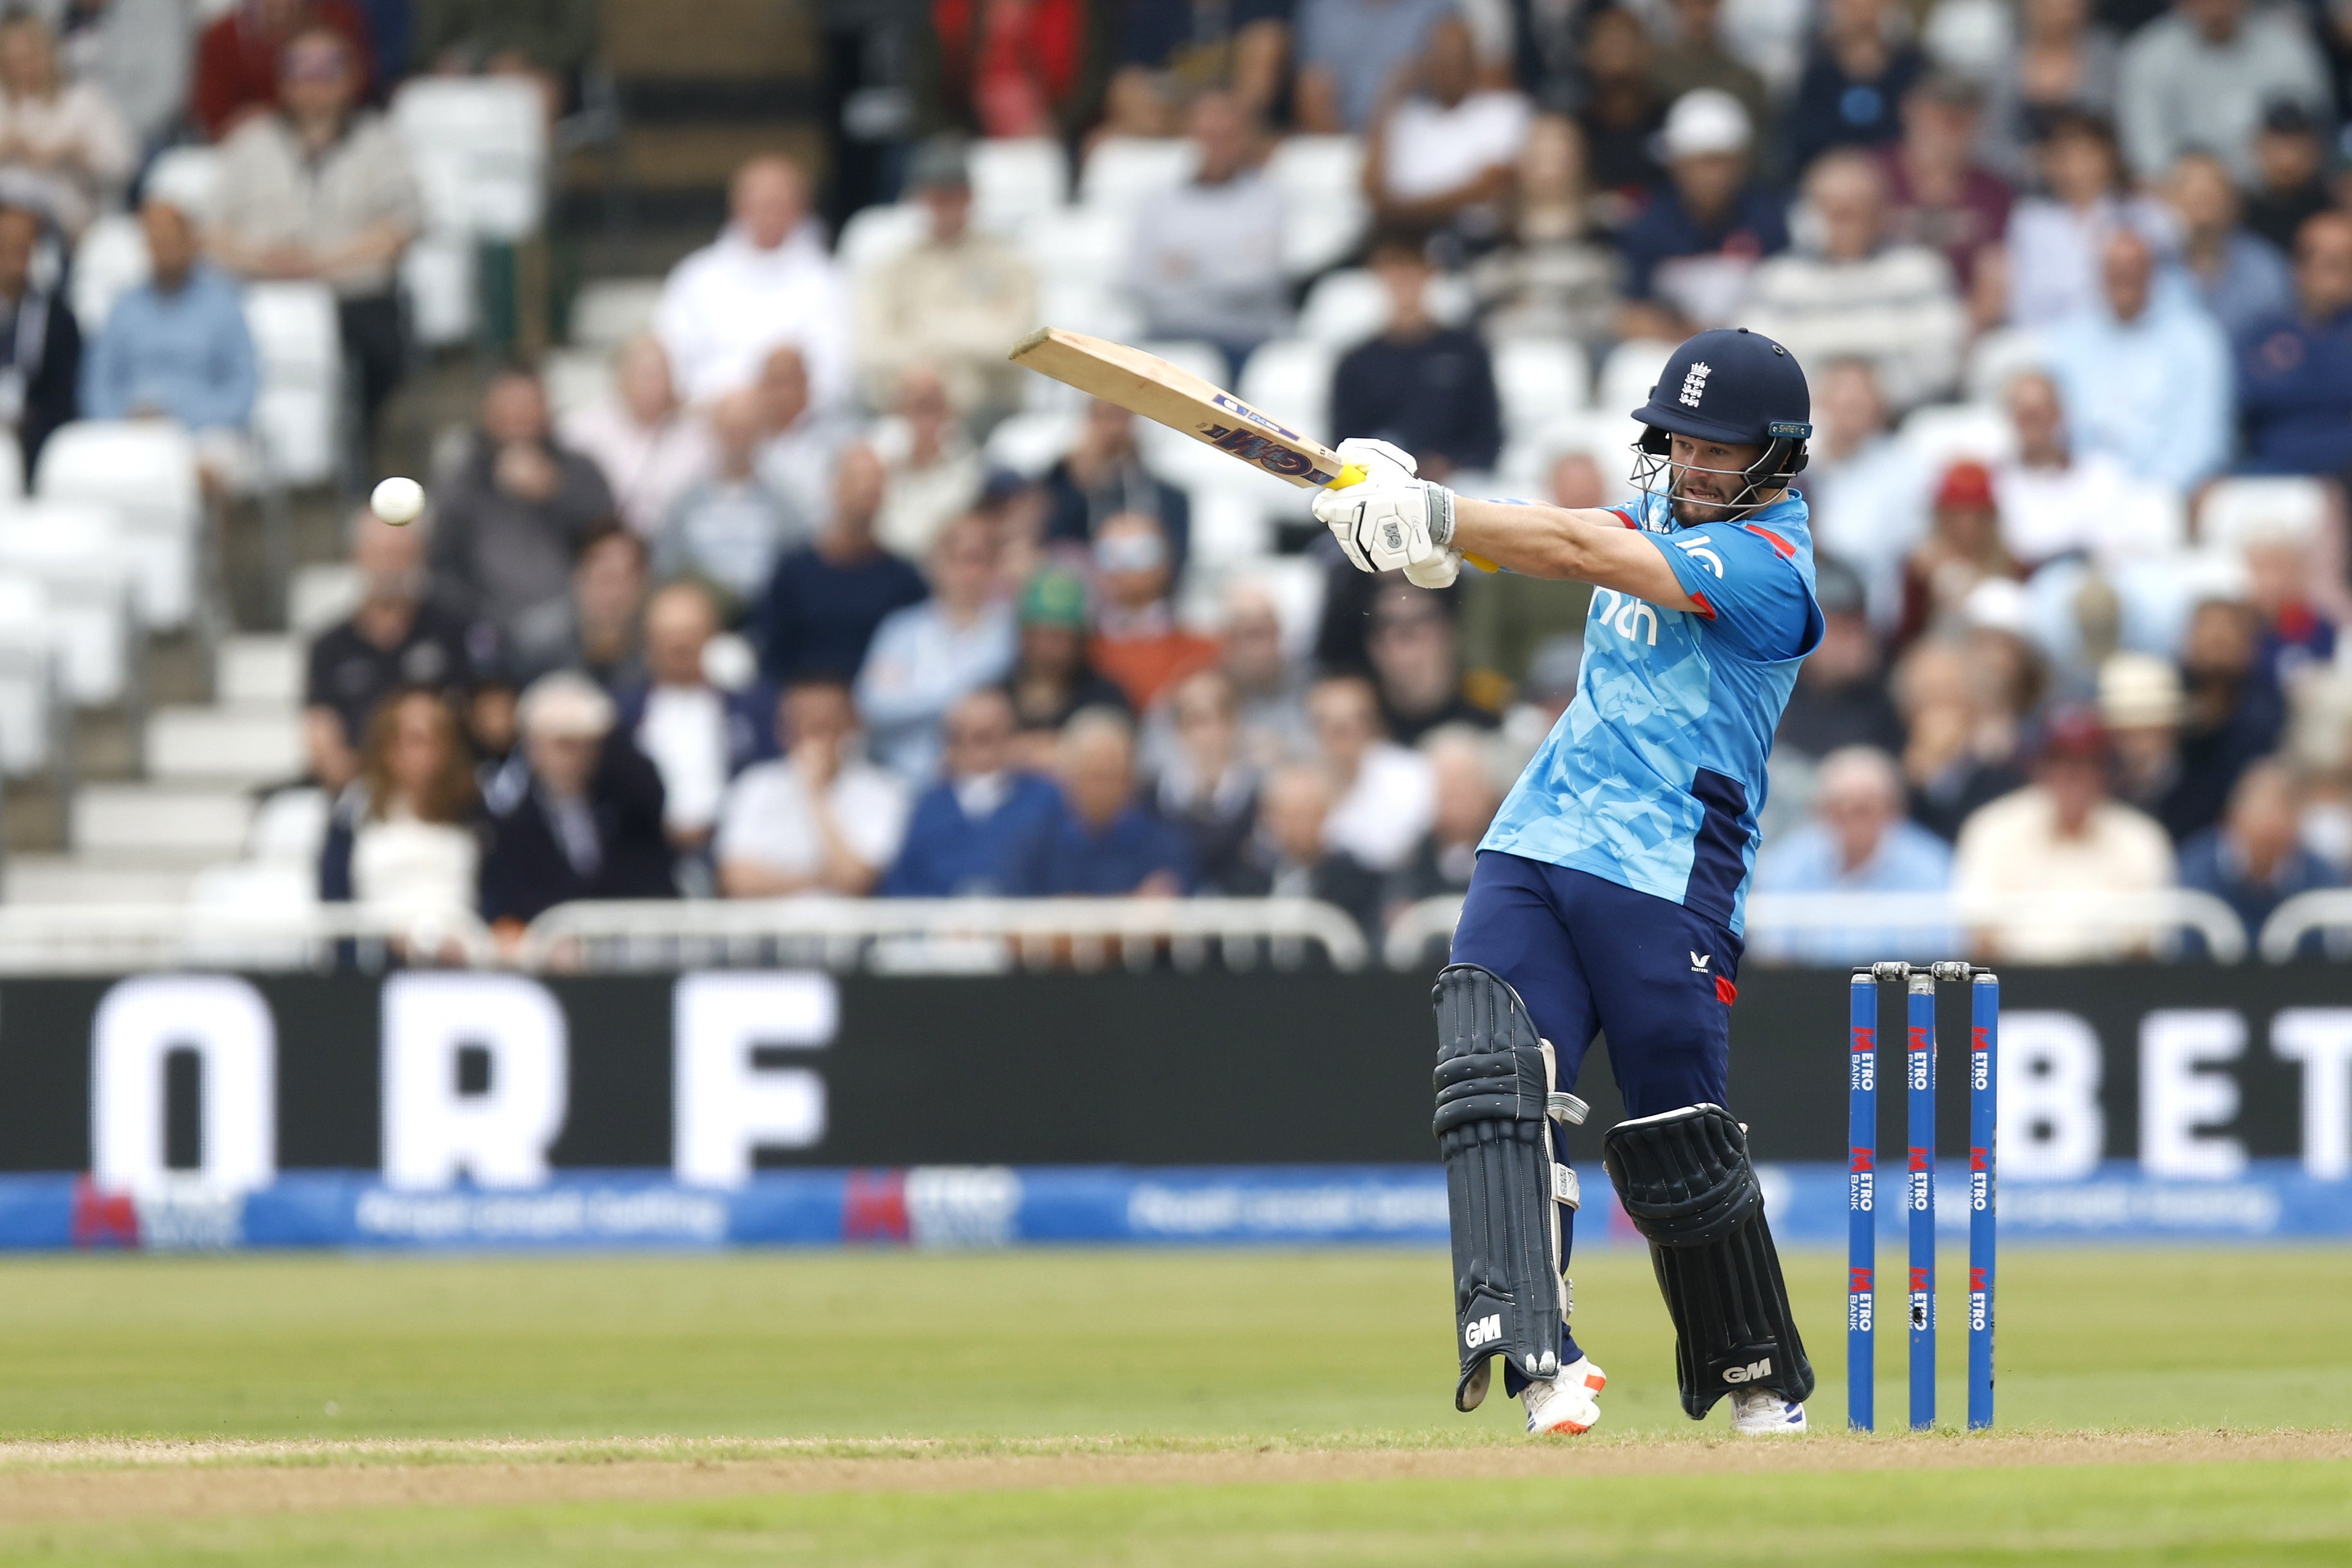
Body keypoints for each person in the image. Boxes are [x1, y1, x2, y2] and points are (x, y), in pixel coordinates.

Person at [1312, 325, 1827, 1436]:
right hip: (1540, 830)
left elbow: (1586, 554)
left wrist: (1440, 516)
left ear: (1776, 458)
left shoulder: (1771, 570)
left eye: (1718, 449)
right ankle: (1540, 1353)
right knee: (1488, 1065)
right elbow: (1561, 534)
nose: (1691, 466)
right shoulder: (1648, 512)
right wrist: (1425, 522)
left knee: (1674, 1135)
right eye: (1678, 442)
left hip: (1666, 865)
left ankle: (1758, 1380)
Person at [206, 24, 419, 440]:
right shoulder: (249, 143)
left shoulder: (380, 142)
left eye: (326, 71)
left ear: (351, 78)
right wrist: (265, 260)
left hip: (348, 294)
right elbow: (210, 232)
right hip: (258, 295)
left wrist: (321, 263)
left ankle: (353, 447)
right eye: (301, 70)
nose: (313, 84)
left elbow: (399, 230)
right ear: (283, 80)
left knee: (381, 347)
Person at [1741, 150, 1966, 413]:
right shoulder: (1778, 279)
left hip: (1902, 419)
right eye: (1834, 209)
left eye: (1858, 208)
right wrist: (1825, 398)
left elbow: (1945, 358)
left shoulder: (1919, 270)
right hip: (1807, 421)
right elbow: (1755, 364)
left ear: (1882, 211)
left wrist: (1876, 395)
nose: (1845, 220)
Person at [1951, 707, 2176, 961]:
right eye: (2059, 761)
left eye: (2089, 763)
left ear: (2107, 772)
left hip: (2112, 988)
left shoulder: (2141, 839)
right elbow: (1979, 935)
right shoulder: (1992, 830)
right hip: (2012, 988)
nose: (2073, 775)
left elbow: (2146, 944)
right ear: (2038, 767)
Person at [80, 199, 260, 497]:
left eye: (172, 240)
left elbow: (243, 387)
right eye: (155, 241)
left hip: (202, 431)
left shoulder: (224, 305)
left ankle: (203, 544)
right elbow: (97, 382)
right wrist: (121, 420)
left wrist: (180, 418)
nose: (164, 249)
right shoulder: (124, 308)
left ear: (191, 242)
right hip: (129, 428)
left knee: (206, 470)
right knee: (86, 468)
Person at [428, 369, 618, 640]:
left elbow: (610, 544)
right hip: (490, 629)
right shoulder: (462, 483)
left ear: (547, 411)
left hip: (579, 628)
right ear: (486, 413)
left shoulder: (580, 471)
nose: (518, 419)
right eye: (508, 408)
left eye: (528, 407)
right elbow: (443, 570)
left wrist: (555, 493)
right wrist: (487, 619)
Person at [478, 671, 676, 930]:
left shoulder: (626, 805)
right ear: (533, 747)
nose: (578, 755)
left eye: (587, 743)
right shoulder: (512, 821)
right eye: (564, 743)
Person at [854, 136, 1036, 418]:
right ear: (918, 199)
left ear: (970, 197)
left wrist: (932, 331)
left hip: (984, 410)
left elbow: (1015, 342)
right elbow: (871, 347)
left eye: (954, 195)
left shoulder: (1007, 265)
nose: (945, 207)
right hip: (903, 403)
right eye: (936, 197)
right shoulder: (892, 269)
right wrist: (922, 371)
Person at [2042, 227, 2232, 492]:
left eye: (2133, 268)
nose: (2123, 277)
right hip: (2076, 490)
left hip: (2165, 493)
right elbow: (2052, 428)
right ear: (2099, 274)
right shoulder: (2065, 340)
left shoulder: (2195, 339)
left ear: (2154, 273)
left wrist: (2155, 490)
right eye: (2114, 268)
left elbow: (2203, 437)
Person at [305, 508, 479, 793]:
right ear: (356, 556)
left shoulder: (452, 634)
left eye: (401, 553)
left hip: (440, 795)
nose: (390, 564)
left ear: (420, 558)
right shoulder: (329, 646)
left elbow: (469, 723)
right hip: (357, 792)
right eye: (380, 552)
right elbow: (321, 740)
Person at [655, 155, 850, 408]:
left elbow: (835, 371)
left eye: (779, 205)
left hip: (800, 423)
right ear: (738, 208)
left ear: (801, 209)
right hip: (707, 418)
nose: (769, 215)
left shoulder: (828, 280)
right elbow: (671, 357)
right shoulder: (696, 276)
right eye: (759, 204)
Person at [614, 581, 775, 863]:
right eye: (668, 635)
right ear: (647, 642)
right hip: (645, 854)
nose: (680, 645)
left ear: (715, 636)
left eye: (691, 633)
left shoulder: (755, 708)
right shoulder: (622, 713)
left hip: (738, 854)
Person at [1750, 744, 1956, 963]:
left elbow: (1939, 954)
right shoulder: (1788, 862)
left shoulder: (1931, 865)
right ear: (1820, 812)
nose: (1853, 820)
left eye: (1865, 808)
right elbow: (1771, 954)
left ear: (1895, 810)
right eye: (1839, 808)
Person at [1128, 89, 1287, 371]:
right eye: (1209, 135)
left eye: (1227, 135)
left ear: (1244, 136)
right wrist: (1225, 263)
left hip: (1241, 346)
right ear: (1191, 135)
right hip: (1165, 337)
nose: (1218, 145)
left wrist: (1188, 268)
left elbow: (1258, 281)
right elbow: (1140, 281)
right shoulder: (1157, 202)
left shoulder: (1267, 200)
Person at [1614, 89, 1787, 340]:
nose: (1711, 176)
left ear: (1742, 163)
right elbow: (1632, 311)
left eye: (1720, 162)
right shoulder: (1648, 222)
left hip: (1753, 348)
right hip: (1672, 350)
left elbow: (1784, 299)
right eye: (1700, 163)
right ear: (1675, 164)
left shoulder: (1767, 217)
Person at [714, 676, 910, 898]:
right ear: (783, 731)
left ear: (854, 726)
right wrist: (818, 878)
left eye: (829, 726)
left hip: (847, 930)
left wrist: (816, 794)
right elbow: (736, 881)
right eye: (805, 726)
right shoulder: (756, 785)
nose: (818, 739)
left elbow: (855, 880)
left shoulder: (883, 790)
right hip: (767, 930)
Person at [1330, 231, 1501, 481]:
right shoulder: (1356, 361)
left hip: (1458, 483)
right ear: (1379, 276)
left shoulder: (1467, 351)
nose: (1403, 279)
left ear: (1430, 273)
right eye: (1393, 268)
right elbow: (1344, 441)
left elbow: (1487, 434)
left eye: (1412, 267)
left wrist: (1449, 464)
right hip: (1380, 484)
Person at [856, 515, 1017, 781]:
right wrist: (954, 702)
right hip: (897, 778)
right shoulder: (901, 631)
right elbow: (874, 707)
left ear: (995, 567)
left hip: (982, 783)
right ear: (936, 564)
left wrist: (918, 700)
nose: (967, 573)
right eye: (956, 559)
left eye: (977, 560)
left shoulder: (1009, 632)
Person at [753, 443, 928, 687]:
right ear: (833, 487)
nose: (868, 490)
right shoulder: (793, 572)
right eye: (857, 481)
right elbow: (771, 654)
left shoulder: (905, 580)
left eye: (877, 484)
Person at [2115, 0, 2329, 186]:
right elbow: (2146, 156)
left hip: (2272, 194)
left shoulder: (2287, 44)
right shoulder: (2149, 54)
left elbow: (2310, 132)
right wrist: (2206, 186)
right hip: (2183, 200)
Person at [318, 687, 482, 923]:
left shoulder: (473, 805)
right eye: (411, 740)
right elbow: (335, 894)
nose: (422, 752)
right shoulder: (356, 805)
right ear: (386, 747)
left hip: (462, 945)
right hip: (378, 945)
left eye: (434, 739)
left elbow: (494, 892)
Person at [1366, 15, 1530, 248]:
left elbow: (1488, 187)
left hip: (1479, 242)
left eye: (1459, 59)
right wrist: (1389, 96)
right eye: (1440, 58)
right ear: (1425, 63)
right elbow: (1372, 189)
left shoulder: (1506, 111)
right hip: (1406, 245)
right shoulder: (1406, 118)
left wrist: (1399, 212)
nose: (1450, 68)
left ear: (1476, 61)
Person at [880, 686, 1062, 896]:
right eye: (959, 737)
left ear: (1010, 737)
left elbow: (1065, 877)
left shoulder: (1044, 799)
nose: (973, 750)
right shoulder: (928, 808)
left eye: (985, 737)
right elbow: (902, 887)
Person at [2000, 110, 2169, 328]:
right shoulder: (2030, 220)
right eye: (2066, 156)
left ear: (2110, 158)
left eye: (2088, 154)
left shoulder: (2143, 214)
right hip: (2047, 340)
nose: (2077, 167)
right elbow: (2022, 301)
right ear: (2048, 163)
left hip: (2124, 336)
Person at [1470, 114, 1621, 347]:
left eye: (1559, 155)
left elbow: (1618, 291)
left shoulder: (1609, 220)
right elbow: (1476, 291)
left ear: (1580, 159)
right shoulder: (1490, 224)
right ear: (1521, 160)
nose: (1549, 167)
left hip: (1588, 342)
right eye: (1540, 156)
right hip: (1507, 342)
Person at [1009, 705, 1192, 896]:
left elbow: (1170, 898)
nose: (1104, 789)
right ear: (1068, 779)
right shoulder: (1037, 846)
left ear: (1132, 780)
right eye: (1095, 776)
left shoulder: (1163, 846)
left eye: (1113, 776)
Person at [1801, 359, 1925, 624]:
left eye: (1858, 403)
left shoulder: (1902, 467)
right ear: (1823, 402)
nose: (1849, 410)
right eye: (1843, 401)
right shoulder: (1797, 460)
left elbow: (1873, 547)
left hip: (1865, 615)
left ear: (1879, 407)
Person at [557, 334, 717, 540]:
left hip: (677, 547)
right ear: (620, 376)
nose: (654, 385)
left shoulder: (697, 433)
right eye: (644, 375)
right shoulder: (579, 430)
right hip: (602, 545)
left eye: (661, 375)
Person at [657, 387, 802, 609]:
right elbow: (668, 569)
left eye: (746, 429)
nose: (738, 439)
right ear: (715, 430)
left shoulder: (785, 505)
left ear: (761, 432)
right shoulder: (684, 502)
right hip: (700, 616)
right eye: (731, 429)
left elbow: (794, 570)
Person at [2178, 758, 2342, 951]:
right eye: (2262, 817)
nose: (2270, 830)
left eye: (2282, 818)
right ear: (2233, 816)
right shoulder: (2195, 870)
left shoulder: (2322, 878)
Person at [2236, 211, 2352, 478]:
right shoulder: (2264, 333)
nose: (2342, 275)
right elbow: (2248, 401)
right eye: (2332, 264)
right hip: (2272, 473)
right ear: (2299, 268)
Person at [1879, 73, 2011, 300]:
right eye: (1936, 113)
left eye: (1959, 118)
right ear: (1909, 110)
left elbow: (1994, 278)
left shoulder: (1995, 192)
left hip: (1960, 321)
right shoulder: (1872, 176)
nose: (1945, 127)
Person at [0, 10, 130, 237]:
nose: (21, 70)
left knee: (23, 217)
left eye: (28, 59)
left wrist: (71, 151)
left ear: (47, 55)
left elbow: (122, 168)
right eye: (12, 62)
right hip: (7, 203)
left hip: (63, 213)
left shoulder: (83, 102)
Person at [1991, 368, 2135, 567]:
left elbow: (2113, 550)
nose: (2033, 424)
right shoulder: (1994, 483)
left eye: (2040, 413)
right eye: (2025, 414)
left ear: (2060, 413)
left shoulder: (2102, 476)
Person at [1896, 634, 2029, 842]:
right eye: (1929, 699)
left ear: (1973, 704)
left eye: (1950, 698)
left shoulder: (1999, 767)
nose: (1940, 715)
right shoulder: (1895, 771)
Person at [1226, 762, 1383, 933]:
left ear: (1325, 814)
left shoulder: (1355, 881)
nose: (1297, 826)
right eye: (1287, 815)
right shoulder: (1249, 878)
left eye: (1306, 813)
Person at [1087, 512, 1217, 712]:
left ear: (1166, 561)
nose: (1125, 566)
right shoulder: (1079, 653)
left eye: (1141, 552)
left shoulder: (1204, 651)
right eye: (1110, 554)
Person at [1777, 557, 1904, 760]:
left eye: (1856, 627)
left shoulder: (1891, 694)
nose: (1851, 642)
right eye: (1838, 629)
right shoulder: (1775, 694)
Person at [1001, 565, 1130, 766]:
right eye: (1039, 634)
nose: (1048, 647)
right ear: (1023, 635)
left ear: (1081, 639)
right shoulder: (997, 696)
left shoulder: (1105, 697)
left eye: (1060, 636)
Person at [192, 0, 374, 141]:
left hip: (342, 135)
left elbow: (361, 86)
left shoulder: (339, 18)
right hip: (254, 145)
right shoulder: (222, 36)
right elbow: (215, 121)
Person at [1307, 672, 1432, 875]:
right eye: (1334, 728)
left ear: (1372, 725)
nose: (1343, 740)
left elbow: (1398, 850)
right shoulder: (1299, 781)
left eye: (1352, 725)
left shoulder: (1410, 776)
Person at [1101, 0, 1289, 136]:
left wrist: (1218, 127)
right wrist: (1200, 128)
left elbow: (1257, 89)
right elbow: (1125, 89)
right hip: (1170, 138)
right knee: (1106, 149)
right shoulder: (1153, 7)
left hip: (1248, 147)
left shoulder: (1263, 6)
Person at [1981, 0, 2121, 179]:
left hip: (2096, 188)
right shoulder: (2001, 60)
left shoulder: (2109, 59)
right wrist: (2028, 163)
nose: (2057, 10)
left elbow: (2123, 135)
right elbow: (1988, 140)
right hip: (2017, 187)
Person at [1150, 667, 1262, 893]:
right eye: (1197, 720)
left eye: (1220, 718)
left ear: (1235, 723)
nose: (1210, 733)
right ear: (1178, 728)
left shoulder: (1261, 794)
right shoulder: (1152, 797)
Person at [1040, 398, 1190, 564]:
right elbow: (1055, 543)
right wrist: (1075, 477)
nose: (1115, 429)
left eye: (1122, 416)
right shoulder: (1063, 484)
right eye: (1107, 417)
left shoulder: (1166, 496)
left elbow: (1174, 556)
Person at [2164, 150, 2293, 342]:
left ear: (2234, 202)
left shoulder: (2266, 271)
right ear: (2166, 199)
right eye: (2188, 189)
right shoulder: (2149, 266)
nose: (2201, 198)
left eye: (2213, 191)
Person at [1784, 0, 1924, 174]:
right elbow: (1802, 135)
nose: (1862, 6)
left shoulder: (1911, 65)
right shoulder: (1814, 63)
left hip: (1894, 175)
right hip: (1826, 175)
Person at [507, 521, 649, 690]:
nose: (614, 593)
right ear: (579, 575)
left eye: (625, 579)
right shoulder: (534, 642)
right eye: (604, 578)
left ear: (643, 584)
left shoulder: (655, 645)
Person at [1895, 461, 2023, 648]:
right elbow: (1909, 637)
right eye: (1956, 513)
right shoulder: (1920, 564)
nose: (1966, 524)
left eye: (1977, 514)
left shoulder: (2013, 565)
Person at [872, 365, 984, 563]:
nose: (925, 419)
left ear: (948, 410)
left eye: (931, 407)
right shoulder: (875, 456)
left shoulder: (968, 467)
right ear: (899, 409)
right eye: (916, 407)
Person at [1293, 0, 1456, 135]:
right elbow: (1313, 84)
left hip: (1420, 134)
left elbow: (1458, 77)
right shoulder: (1322, 8)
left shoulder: (1436, 6)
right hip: (1345, 138)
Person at [1385, 725, 1503, 912]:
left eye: (1463, 782)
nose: (1452, 793)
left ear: (1488, 790)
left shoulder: (1509, 856)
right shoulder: (1409, 857)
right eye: (1443, 782)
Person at [53, 0, 193, 154]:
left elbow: (166, 98)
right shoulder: (57, 15)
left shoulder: (156, 8)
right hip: (70, 135)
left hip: (141, 135)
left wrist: (107, 136)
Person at [1366, 582, 1497, 744]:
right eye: (1387, 623)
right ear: (1373, 646)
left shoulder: (1494, 711)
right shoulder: (1357, 721)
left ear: (1449, 633)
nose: (1406, 634)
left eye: (1422, 619)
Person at [0, 199, 75, 473]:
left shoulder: (58, 319)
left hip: (34, 437)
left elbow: (64, 396)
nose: (14, 252)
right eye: (5, 242)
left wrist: (27, 422)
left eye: (23, 243)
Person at [1572, 6, 1667, 197]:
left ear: (1646, 51)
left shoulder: (1671, 118)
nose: (1618, 52)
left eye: (1625, 43)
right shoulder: (1576, 128)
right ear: (1589, 55)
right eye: (1609, 44)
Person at [1649, 0, 1772, 147]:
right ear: (1675, 8)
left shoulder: (1747, 80)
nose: (1700, 16)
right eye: (1691, 5)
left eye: (1707, 4)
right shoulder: (1652, 72)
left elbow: (1756, 148)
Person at [2243, 100, 2331, 253]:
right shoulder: (2242, 211)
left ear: (2316, 149)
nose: (2287, 157)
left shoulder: (2333, 206)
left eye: (2295, 145)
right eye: (2279, 145)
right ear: (2259, 147)